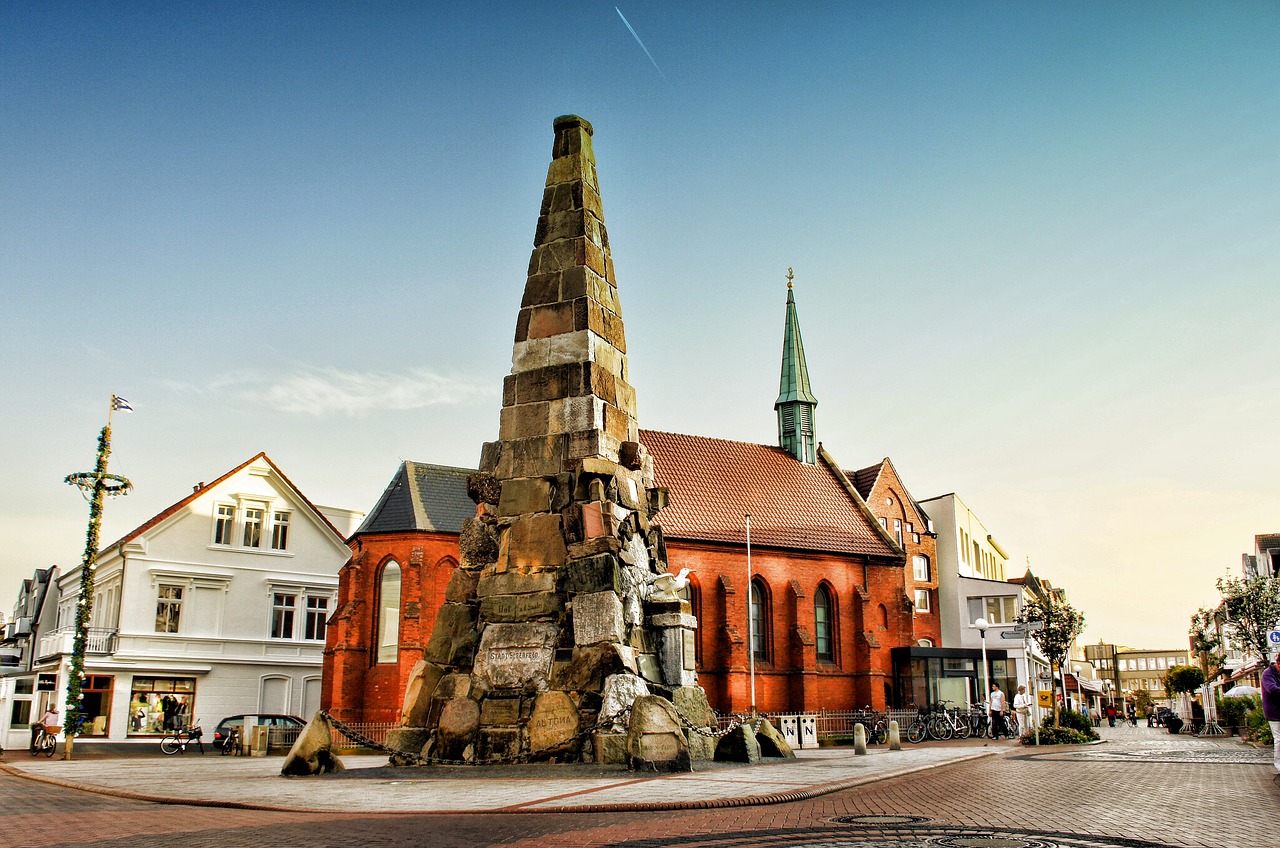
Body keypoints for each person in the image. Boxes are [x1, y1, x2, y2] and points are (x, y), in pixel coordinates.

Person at [1262, 651, 1280, 780]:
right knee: (1279, 739)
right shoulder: (1268, 674)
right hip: (1274, 713)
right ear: (1278, 663)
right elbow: (1272, 689)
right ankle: (1279, 765)